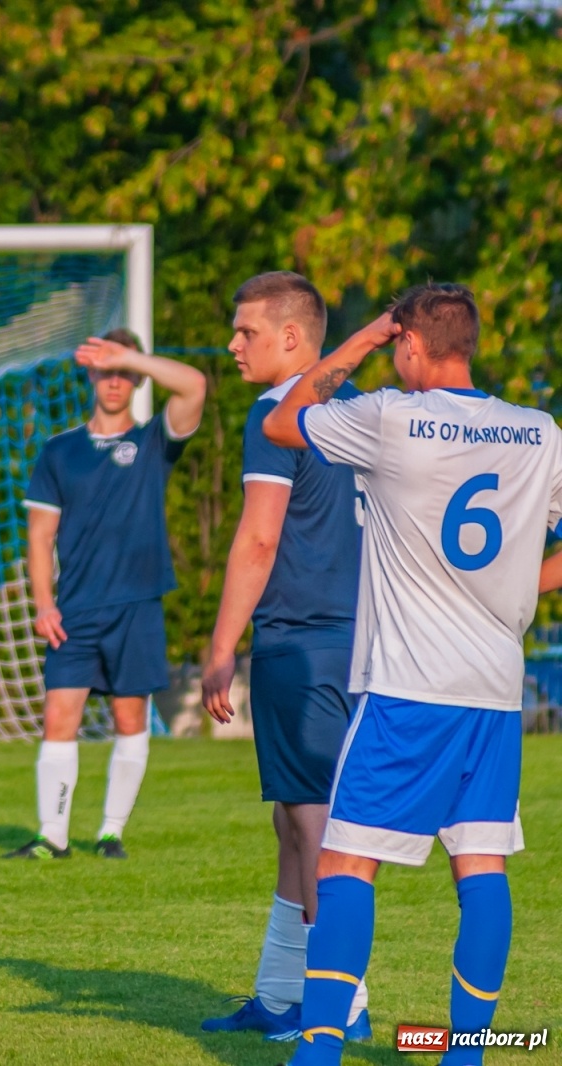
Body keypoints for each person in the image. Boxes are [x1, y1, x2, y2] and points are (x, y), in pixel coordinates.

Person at [262, 283, 561, 1066]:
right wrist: (524, 581)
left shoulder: (390, 414)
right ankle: (467, 1055)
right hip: (495, 690)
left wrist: (355, 342)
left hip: (408, 686)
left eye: (398, 346)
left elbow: (281, 420)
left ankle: (319, 1050)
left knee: (345, 860)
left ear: (413, 346)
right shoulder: (538, 430)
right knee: (481, 865)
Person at [198, 272, 370, 1040]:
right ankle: (276, 993)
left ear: (293, 338)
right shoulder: (368, 410)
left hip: (302, 640)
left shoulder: (276, 413)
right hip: (363, 640)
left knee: (314, 823)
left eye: (247, 333)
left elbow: (261, 538)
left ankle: (343, 1011)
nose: (233, 345)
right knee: (291, 817)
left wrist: (220, 645)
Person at [9, 329, 207, 860]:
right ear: (91, 375)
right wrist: (43, 603)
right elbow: (40, 534)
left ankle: (110, 833)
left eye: (124, 372)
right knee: (59, 718)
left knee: (129, 719)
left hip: (136, 606)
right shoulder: (60, 451)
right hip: (73, 610)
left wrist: (131, 355)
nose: (114, 380)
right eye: (105, 369)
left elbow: (194, 387)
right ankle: (51, 837)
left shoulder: (152, 442)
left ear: (138, 376)